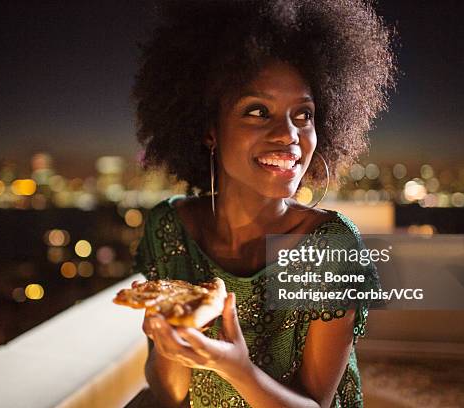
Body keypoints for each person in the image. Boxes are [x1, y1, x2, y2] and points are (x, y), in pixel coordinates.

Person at [128, 1, 395, 407]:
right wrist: (170, 342)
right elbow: (171, 394)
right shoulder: (168, 228)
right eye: (258, 111)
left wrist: (238, 368)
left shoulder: (331, 246)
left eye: (303, 115)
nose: (289, 135)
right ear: (209, 130)